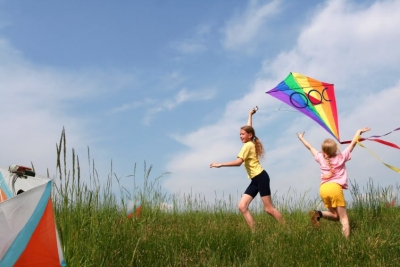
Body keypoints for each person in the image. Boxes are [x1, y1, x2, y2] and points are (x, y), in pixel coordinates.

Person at [210, 107, 284, 232]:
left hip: (261, 177)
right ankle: (255, 232)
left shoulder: (247, 146)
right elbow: (249, 128)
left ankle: (287, 230)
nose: (240, 136)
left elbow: (239, 162)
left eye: (242, 134)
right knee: (242, 206)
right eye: (239, 134)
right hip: (255, 180)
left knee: (269, 209)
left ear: (249, 136)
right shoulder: (250, 141)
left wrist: (220, 164)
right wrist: (250, 115)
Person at [297, 127, 371, 238]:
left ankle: (318, 213)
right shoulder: (341, 157)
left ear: (324, 150)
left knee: (336, 216)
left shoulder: (320, 157)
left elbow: (310, 147)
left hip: (323, 189)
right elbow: (353, 144)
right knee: (344, 218)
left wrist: (301, 138)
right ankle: (345, 243)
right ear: (335, 149)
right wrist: (358, 132)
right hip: (335, 189)